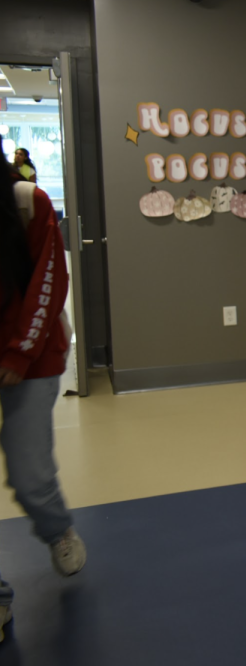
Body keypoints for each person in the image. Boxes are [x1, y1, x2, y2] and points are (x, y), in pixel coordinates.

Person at [0, 147, 86, 643]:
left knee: (29, 476)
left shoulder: (27, 202)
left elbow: (50, 282)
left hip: (32, 360)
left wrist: (18, 354)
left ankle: (59, 532)